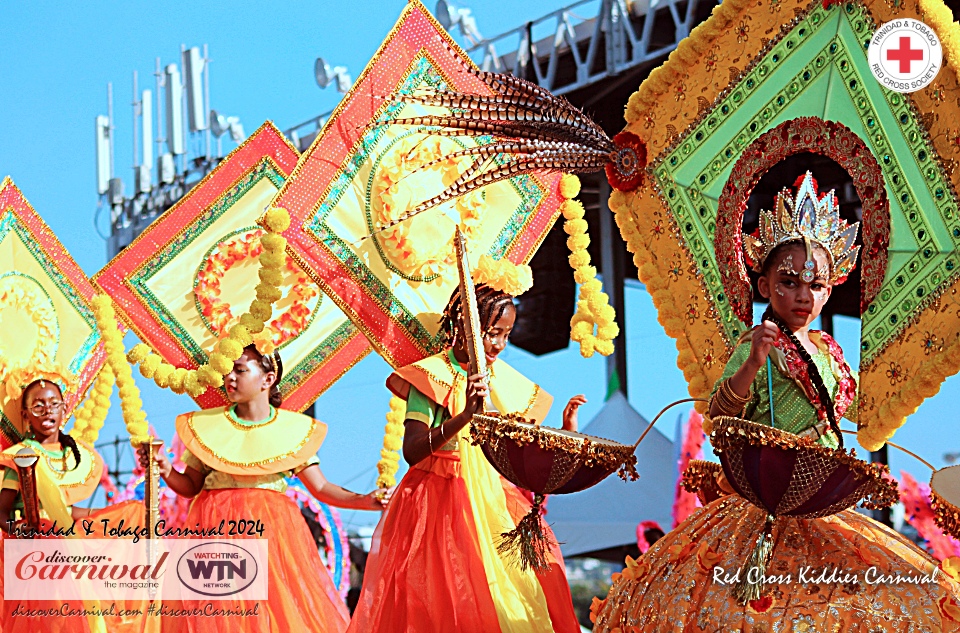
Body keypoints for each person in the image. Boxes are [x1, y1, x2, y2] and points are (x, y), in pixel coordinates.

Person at [592, 173, 960, 631]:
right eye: (789, 282)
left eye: (817, 284)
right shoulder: (756, 344)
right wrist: (753, 364)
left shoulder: (831, 351)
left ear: (831, 289)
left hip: (825, 506)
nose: (804, 295)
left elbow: (849, 414)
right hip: (762, 506)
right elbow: (723, 417)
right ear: (764, 287)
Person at [347, 283, 585, 633]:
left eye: (506, 334)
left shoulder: (504, 382)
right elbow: (412, 451)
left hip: (494, 502)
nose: (499, 345)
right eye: (491, 333)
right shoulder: (431, 377)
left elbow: (522, 459)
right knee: (448, 606)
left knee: (518, 594)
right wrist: (463, 417)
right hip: (438, 506)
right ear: (462, 326)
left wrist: (564, 433)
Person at [139, 344, 389, 633]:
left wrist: (365, 500)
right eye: (227, 371)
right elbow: (190, 486)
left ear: (267, 379)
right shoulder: (209, 428)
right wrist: (164, 467)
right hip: (214, 532)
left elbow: (321, 487)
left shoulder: (290, 432)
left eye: (241, 370)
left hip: (273, 536)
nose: (230, 377)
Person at [0, 374, 145, 633]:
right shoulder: (18, 458)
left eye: (54, 403)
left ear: (64, 408)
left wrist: (106, 515)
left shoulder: (73, 454)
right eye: (38, 405)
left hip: (65, 542)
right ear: (25, 414)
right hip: (31, 551)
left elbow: (66, 514)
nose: (47, 411)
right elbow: (1, 514)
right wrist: (19, 530)